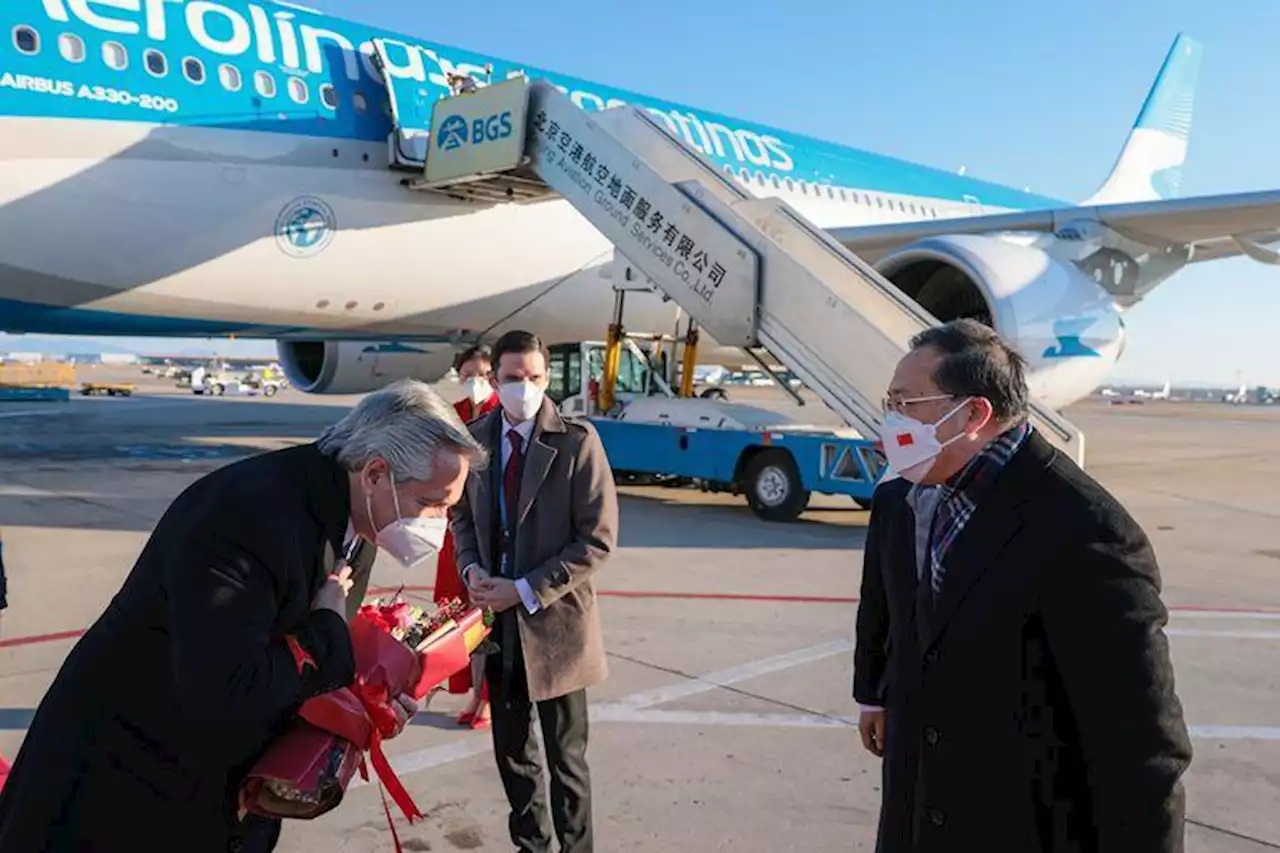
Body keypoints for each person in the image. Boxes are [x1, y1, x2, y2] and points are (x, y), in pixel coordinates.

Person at [0, 380, 488, 853]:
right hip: (124, 787)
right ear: (376, 473)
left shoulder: (354, 513)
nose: (437, 524)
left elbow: (306, 659)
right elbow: (226, 689)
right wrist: (326, 637)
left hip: (219, 792)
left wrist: (367, 703)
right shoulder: (248, 516)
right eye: (430, 503)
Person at [852, 318, 1193, 853]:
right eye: (889, 401)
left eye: (906, 402)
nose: (890, 419)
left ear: (972, 415)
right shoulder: (905, 497)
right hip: (918, 812)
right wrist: (874, 692)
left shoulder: (1085, 529)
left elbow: (1141, 743)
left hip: (1021, 822)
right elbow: (884, 604)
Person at [451, 329, 618, 853]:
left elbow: (597, 540)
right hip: (497, 628)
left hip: (557, 628)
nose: (524, 388)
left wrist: (523, 589)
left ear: (547, 378)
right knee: (514, 758)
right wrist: (471, 568)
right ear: (493, 380)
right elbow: (460, 520)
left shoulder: (576, 441)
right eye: (513, 378)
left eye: (534, 378)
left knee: (567, 762)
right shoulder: (475, 440)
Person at [435, 345, 502, 728]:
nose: (475, 381)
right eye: (468, 374)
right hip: (456, 526)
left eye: (483, 373)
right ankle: (474, 688)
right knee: (458, 614)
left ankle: (486, 695)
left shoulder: (499, 413)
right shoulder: (455, 415)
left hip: (488, 524)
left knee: (487, 615)